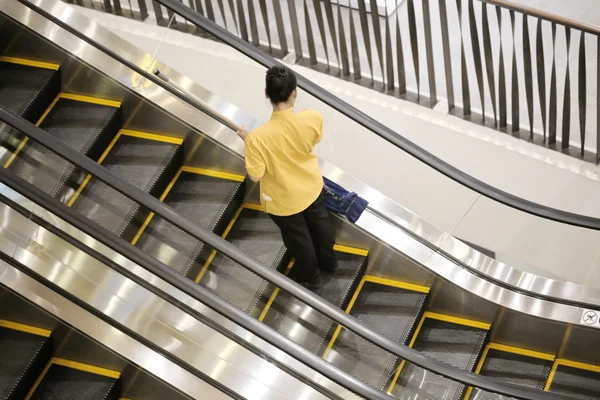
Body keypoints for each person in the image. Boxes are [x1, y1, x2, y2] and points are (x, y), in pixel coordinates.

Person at [237, 66, 336, 290]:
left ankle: (310, 276)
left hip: (283, 198)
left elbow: (255, 175)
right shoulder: (312, 117)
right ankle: (329, 262)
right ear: (295, 92)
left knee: (298, 238)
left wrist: (248, 141)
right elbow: (313, 140)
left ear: (267, 94)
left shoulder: (258, 138)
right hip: (311, 185)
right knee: (320, 225)